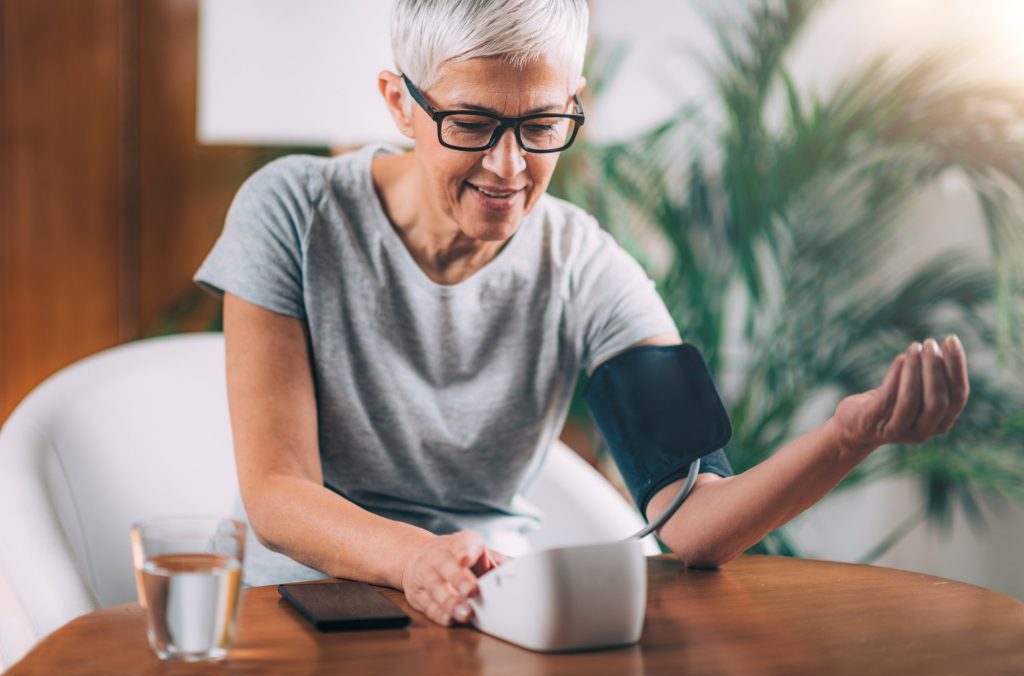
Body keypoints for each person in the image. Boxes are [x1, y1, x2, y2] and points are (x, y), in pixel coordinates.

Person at [194, 0, 969, 628]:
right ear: (400, 103)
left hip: (487, 620)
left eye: (540, 126)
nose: (510, 168)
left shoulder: (587, 268)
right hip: (295, 611)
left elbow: (691, 518)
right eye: (471, 124)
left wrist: (847, 435)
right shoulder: (292, 211)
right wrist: (411, 559)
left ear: (575, 105)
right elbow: (278, 492)